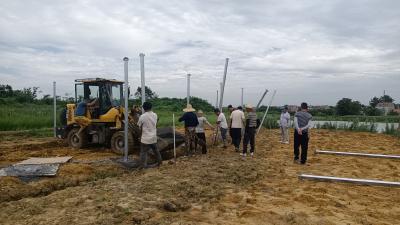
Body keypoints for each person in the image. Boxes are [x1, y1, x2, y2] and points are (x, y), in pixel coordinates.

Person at [137, 101, 162, 168]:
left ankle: (143, 165)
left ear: (143, 108)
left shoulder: (142, 116)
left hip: (145, 138)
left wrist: (140, 137)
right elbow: (156, 124)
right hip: (153, 137)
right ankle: (160, 162)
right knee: (156, 150)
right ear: (151, 107)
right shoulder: (155, 115)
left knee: (143, 152)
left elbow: (140, 128)